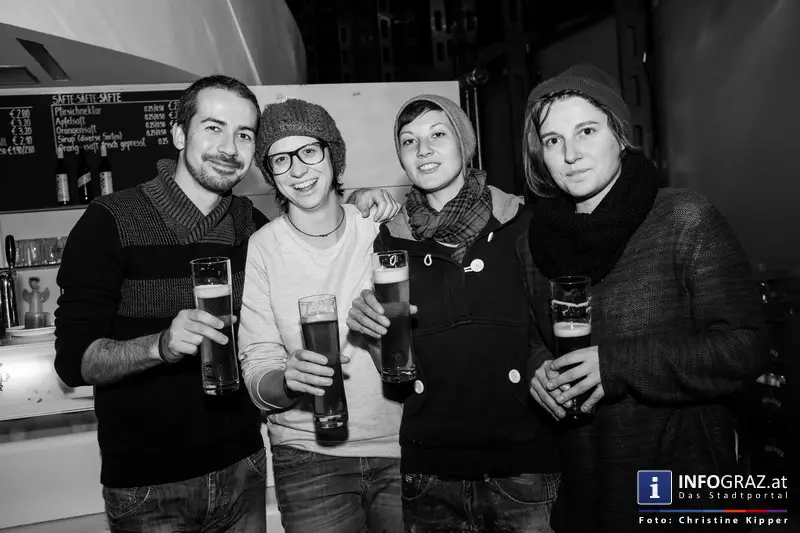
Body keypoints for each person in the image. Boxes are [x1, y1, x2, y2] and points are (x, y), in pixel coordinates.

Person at [53, 76, 397, 533]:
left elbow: (313, 219)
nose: (229, 147)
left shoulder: (248, 225)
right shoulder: (109, 221)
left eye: (244, 134)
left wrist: (357, 200)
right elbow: (74, 362)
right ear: (179, 134)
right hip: (149, 484)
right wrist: (160, 345)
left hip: (242, 468)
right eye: (213, 128)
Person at [519, 64, 768, 532]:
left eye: (586, 131)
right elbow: (535, 340)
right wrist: (539, 371)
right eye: (553, 140)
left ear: (620, 134)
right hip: (585, 491)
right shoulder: (534, 245)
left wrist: (616, 365)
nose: (570, 154)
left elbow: (744, 345)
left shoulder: (683, 218)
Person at [346, 94, 561, 532]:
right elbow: (397, 375)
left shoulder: (523, 224)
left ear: (465, 143)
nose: (423, 149)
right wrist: (372, 335)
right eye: (409, 141)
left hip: (522, 464)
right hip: (430, 470)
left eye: (437, 135)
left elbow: (551, 332)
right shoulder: (390, 242)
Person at [237, 98, 404, 533]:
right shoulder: (263, 248)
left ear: (334, 155)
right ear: (270, 173)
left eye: (309, 151)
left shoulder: (380, 226)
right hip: (308, 456)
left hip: (400, 446)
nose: (298, 170)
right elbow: (257, 369)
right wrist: (286, 380)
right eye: (281, 159)